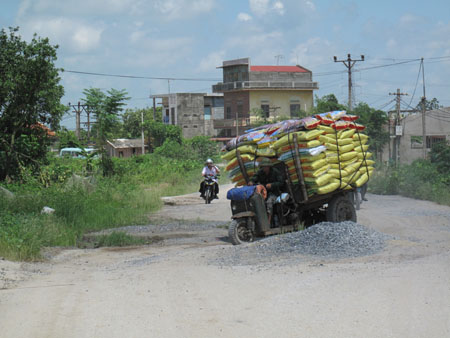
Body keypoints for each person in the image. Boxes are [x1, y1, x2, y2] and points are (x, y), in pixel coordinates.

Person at [248, 158, 284, 224]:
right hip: (263, 192)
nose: (265, 168)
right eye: (263, 166)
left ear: (269, 166)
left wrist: (272, 185)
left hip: (274, 193)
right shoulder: (260, 172)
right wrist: (251, 181)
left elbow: (281, 183)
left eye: (266, 166)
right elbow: (255, 178)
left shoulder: (275, 172)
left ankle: (268, 222)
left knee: (269, 202)